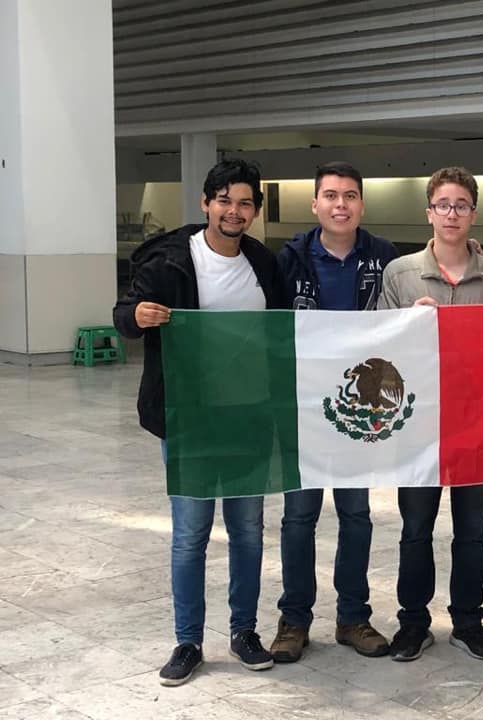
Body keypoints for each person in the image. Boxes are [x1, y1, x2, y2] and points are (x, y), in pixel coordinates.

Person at [113, 159, 286, 686]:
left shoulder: (262, 264)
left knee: (249, 534)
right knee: (190, 535)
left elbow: (281, 333)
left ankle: (244, 632)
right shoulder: (171, 260)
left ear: (255, 210)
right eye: (225, 201)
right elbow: (124, 313)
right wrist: (138, 316)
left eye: (246, 203)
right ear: (207, 203)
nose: (235, 212)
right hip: (188, 419)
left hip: (249, 419)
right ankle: (187, 640)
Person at [378, 166, 483, 662]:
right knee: (416, 527)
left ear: (473, 213)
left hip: (476, 423)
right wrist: (408, 324)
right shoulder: (401, 273)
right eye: (443, 205)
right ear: (428, 213)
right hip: (418, 425)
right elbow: (377, 349)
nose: (451, 214)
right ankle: (413, 622)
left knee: (472, 529)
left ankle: (467, 620)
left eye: (461, 205)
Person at [270, 161, 398, 662]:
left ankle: (353, 617)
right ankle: (294, 620)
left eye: (349, 195)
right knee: (298, 517)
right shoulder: (289, 259)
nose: (340, 204)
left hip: (355, 414)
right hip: (301, 407)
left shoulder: (383, 258)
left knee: (356, 515)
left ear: (361, 205)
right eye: (330, 195)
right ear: (315, 204)